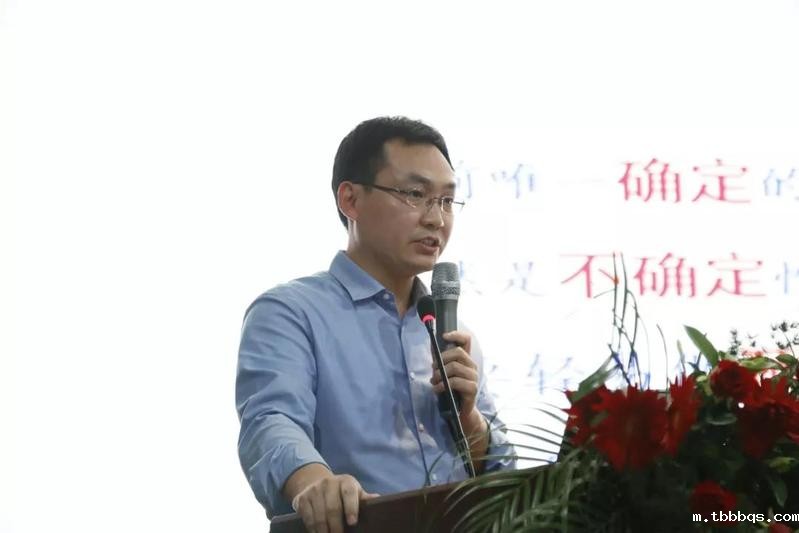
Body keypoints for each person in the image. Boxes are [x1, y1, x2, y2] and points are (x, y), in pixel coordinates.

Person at [236, 116, 516, 532]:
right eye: (416, 194)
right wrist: (316, 484)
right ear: (350, 200)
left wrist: (470, 418)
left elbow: (504, 476)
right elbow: (271, 422)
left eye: (446, 200)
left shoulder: (451, 333)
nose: (436, 219)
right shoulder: (290, 312)